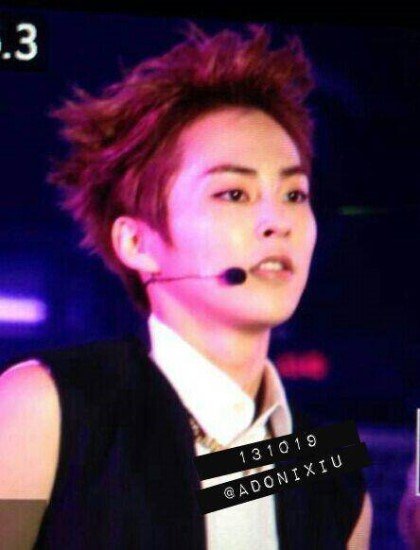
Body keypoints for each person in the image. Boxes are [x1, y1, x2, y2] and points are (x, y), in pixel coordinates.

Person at [0, 23, 372, 548]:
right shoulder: (45, 408)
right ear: (137, 243)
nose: (277, 222)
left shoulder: (330, 469)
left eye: (294, 195)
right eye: (234, 194)